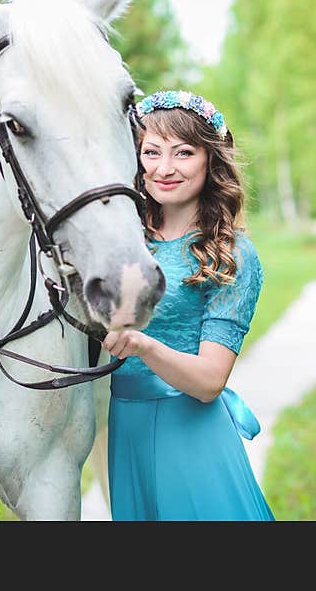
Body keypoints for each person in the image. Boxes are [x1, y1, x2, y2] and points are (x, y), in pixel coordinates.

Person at [102, 89, 274, 521]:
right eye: (152, 151)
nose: (164, 168)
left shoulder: (230, 254)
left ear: (209, 160)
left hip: (191, 432)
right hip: (125, 428)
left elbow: (209, 381)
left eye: (183, 153)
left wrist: (144, 346)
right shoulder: (121, 243)